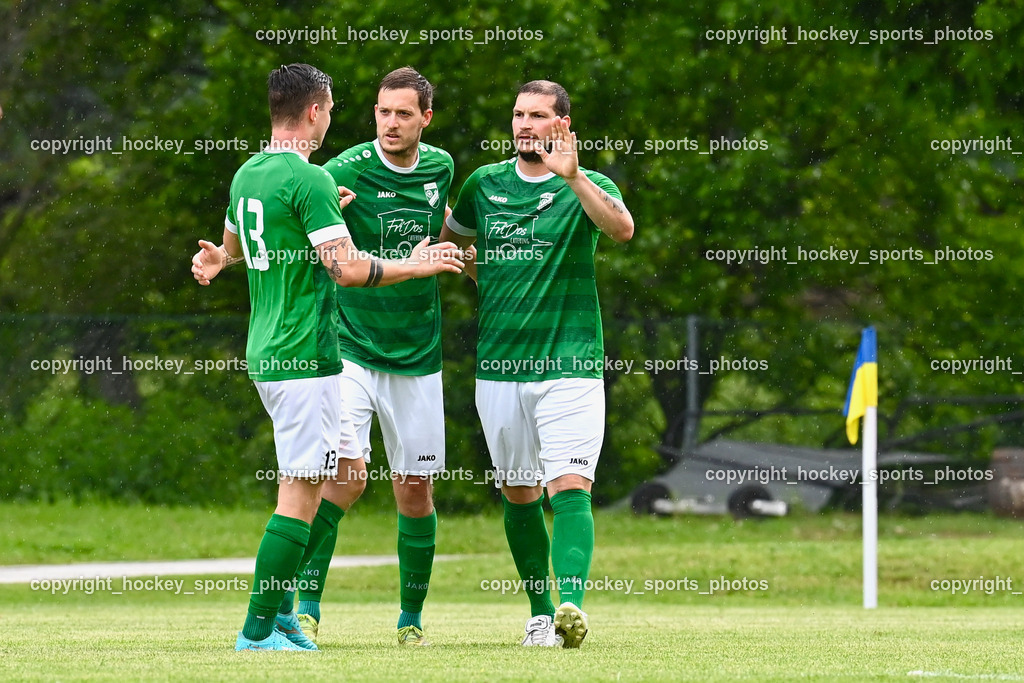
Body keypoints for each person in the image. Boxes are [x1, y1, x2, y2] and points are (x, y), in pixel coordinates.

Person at [190, 63, 463, 651]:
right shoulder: (309, 178)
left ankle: (285, 618)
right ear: (316, 110)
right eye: (334, 109)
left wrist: (220, 260)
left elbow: (238, 240)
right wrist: (419, 264)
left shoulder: (250, 173)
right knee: (301, 492)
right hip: (305, 355)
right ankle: (259, 629)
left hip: (265, 352)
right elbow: (346, 269)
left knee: (313, 482)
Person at [439, 79, 634, 648]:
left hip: (571, 365)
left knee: (569, 485)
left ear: (562, 125)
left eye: (539, 115)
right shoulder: (484, 184)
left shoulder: (589, 184)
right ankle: (539, 614)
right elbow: (451, 248)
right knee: (518, 490)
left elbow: (622, 229)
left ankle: (570, 601)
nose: (525, 124)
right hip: (499, 368)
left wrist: (572, 176)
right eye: (519, 114)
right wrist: (487, 274)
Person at [288, 66, 455, 648]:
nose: (390, 123)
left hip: (418, 353)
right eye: (383, 112)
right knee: (346, 478)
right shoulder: (343, 170)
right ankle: (305, 607)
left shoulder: (441, 167)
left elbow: (441, 239)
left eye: (403, 113)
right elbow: (298, 226)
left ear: (424, 118)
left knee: (414, 489)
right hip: (351, 349)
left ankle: (410, 622)